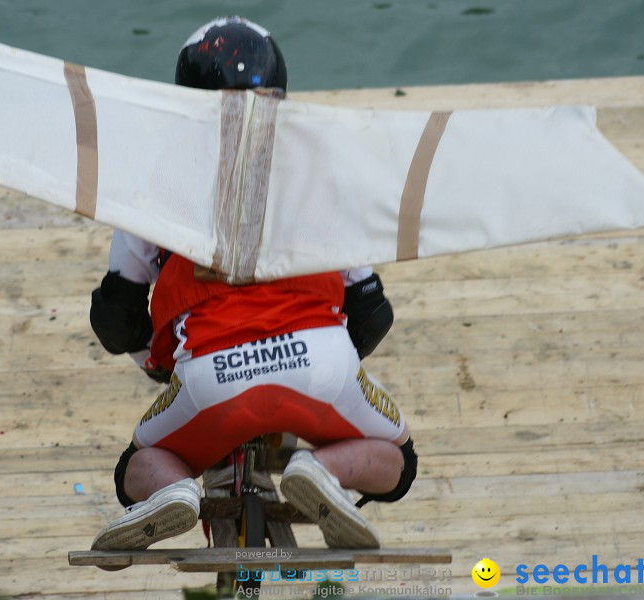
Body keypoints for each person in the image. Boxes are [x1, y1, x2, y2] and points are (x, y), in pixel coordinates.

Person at [88, 16, 417, 551]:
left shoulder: (156, 177)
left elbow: (115, 317)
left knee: (136, 466)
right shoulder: (322, 168)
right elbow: (372, 311)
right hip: (321, 363)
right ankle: (321, 469)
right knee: (400, 462)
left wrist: (164, 368)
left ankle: (174, 492)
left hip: (210, 376)